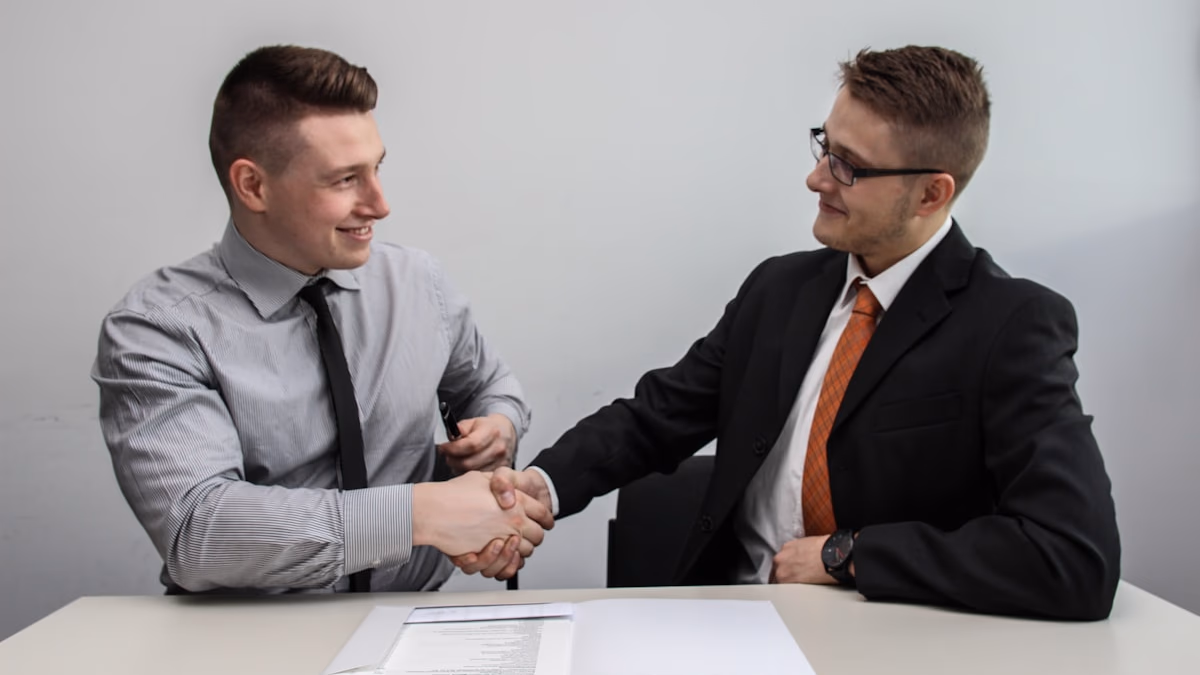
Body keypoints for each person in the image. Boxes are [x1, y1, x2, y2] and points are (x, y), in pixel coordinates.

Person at [459, 45, 1121, 620]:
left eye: (849, 166)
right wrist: (539, 486)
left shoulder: (1011, 325)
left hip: (887, 640)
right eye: (824, 147)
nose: (816, 178)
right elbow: (655, 418)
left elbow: (1074, 556)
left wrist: (847, 554)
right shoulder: (780, 290)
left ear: (931, 194)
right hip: (729, 623)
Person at [92, 45, 549, 594]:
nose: (380, 204)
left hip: (414, 617)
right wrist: (419, 514)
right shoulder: (157, 330)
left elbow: (489, 385)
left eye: (377, 168)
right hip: (247, 634)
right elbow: (200, 532)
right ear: (253, 186)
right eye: (344, 179)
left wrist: (497, 427)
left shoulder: (419, 282)